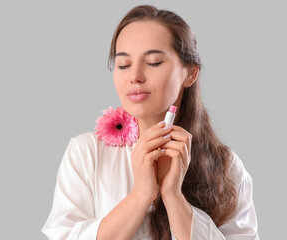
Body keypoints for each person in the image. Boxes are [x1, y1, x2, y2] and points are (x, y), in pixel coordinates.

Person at [41, 4, 259, 240]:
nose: (135, 76)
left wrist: (174, 197)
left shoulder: (226, 167)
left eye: (154, 62)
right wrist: (140, 196)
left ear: (190, 73)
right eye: (123, 64)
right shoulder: (86, 153)